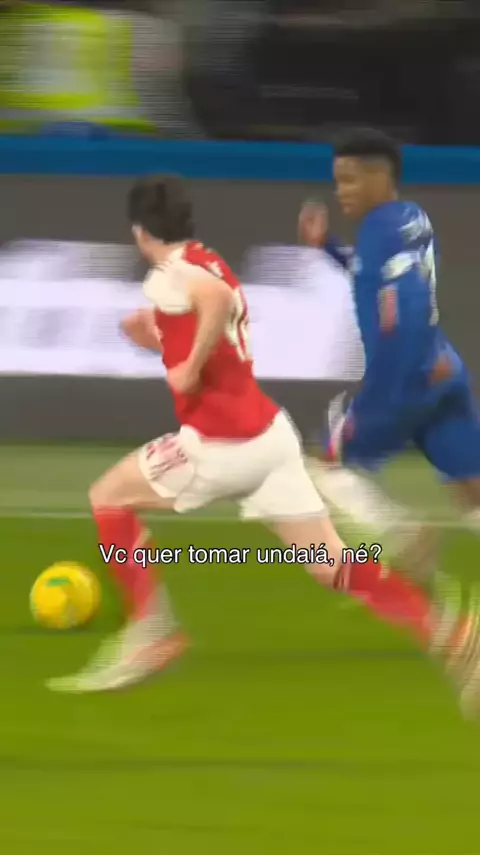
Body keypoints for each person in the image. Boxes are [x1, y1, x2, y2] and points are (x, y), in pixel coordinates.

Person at [48, 174, 479, 711]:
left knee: (108, 498)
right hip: (270, 441)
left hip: (218, 448)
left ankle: (151, 631)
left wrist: (186, 367)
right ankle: (451, 630)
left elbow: (212, 303)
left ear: (140, 232)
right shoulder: (206, 259)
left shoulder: (169, 276)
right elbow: (213, 311)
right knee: (334, 566)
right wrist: (160, 338)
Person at [299, 128, 480, 714]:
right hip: (445, 369)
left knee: (323, 466)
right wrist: (328, 248)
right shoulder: (410, 219)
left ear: (381, 175)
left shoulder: (379, 229)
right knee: (472, 493)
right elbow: (374, 273)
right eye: (338, 180)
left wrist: (380, 394)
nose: (342, 190)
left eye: (351, 179)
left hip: (403, 380)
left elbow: (398, 311)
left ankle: (403, 534)